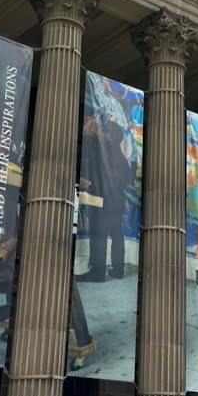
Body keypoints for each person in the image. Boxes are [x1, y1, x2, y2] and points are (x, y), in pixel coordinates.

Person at [76, 115, 135, 282]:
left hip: (102, 202)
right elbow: (125, 181)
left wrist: (90, 185)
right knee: (117, 235)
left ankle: (97, 272)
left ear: (110, 136)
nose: (99, 131)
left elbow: (97, 177)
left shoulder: (103, 154)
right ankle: (118, 270)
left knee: (98, 235)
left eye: (103, 130)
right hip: (116, 203)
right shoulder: (122, 159)